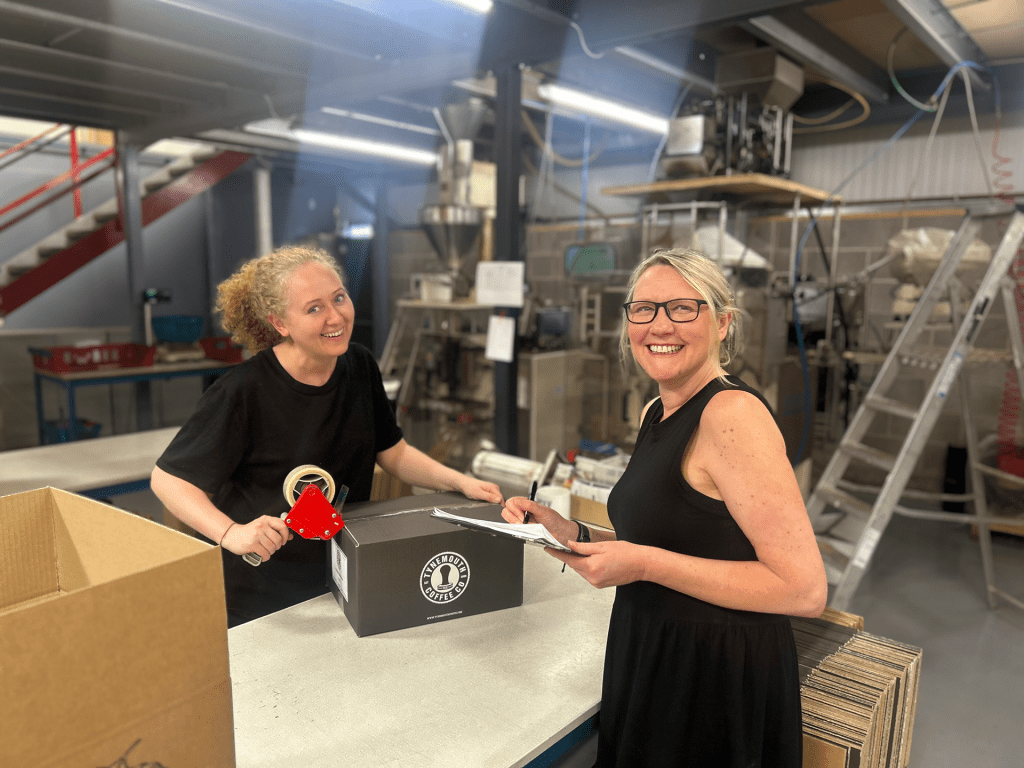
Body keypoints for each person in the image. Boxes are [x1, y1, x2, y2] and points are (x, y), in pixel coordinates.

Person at [503, 249, 826, 767]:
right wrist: (575, 533)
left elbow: (804, 589)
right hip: (653, 651)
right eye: (644, 309)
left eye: (682, 309)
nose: (660, 325)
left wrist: (646, 566)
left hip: (713, 677)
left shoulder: (732, 414)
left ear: (722, 324)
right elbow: (671, 535)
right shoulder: (657, 409)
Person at [152, 245, 502, 627]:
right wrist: (232, 533)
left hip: (343, 573)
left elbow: (393, 452)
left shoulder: (360, 365)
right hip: (262, 598)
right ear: (280, 324)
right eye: (314, 308)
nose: (336, 316)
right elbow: (169, 479)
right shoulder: (242, 392)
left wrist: (459, 481)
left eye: (339, 298)